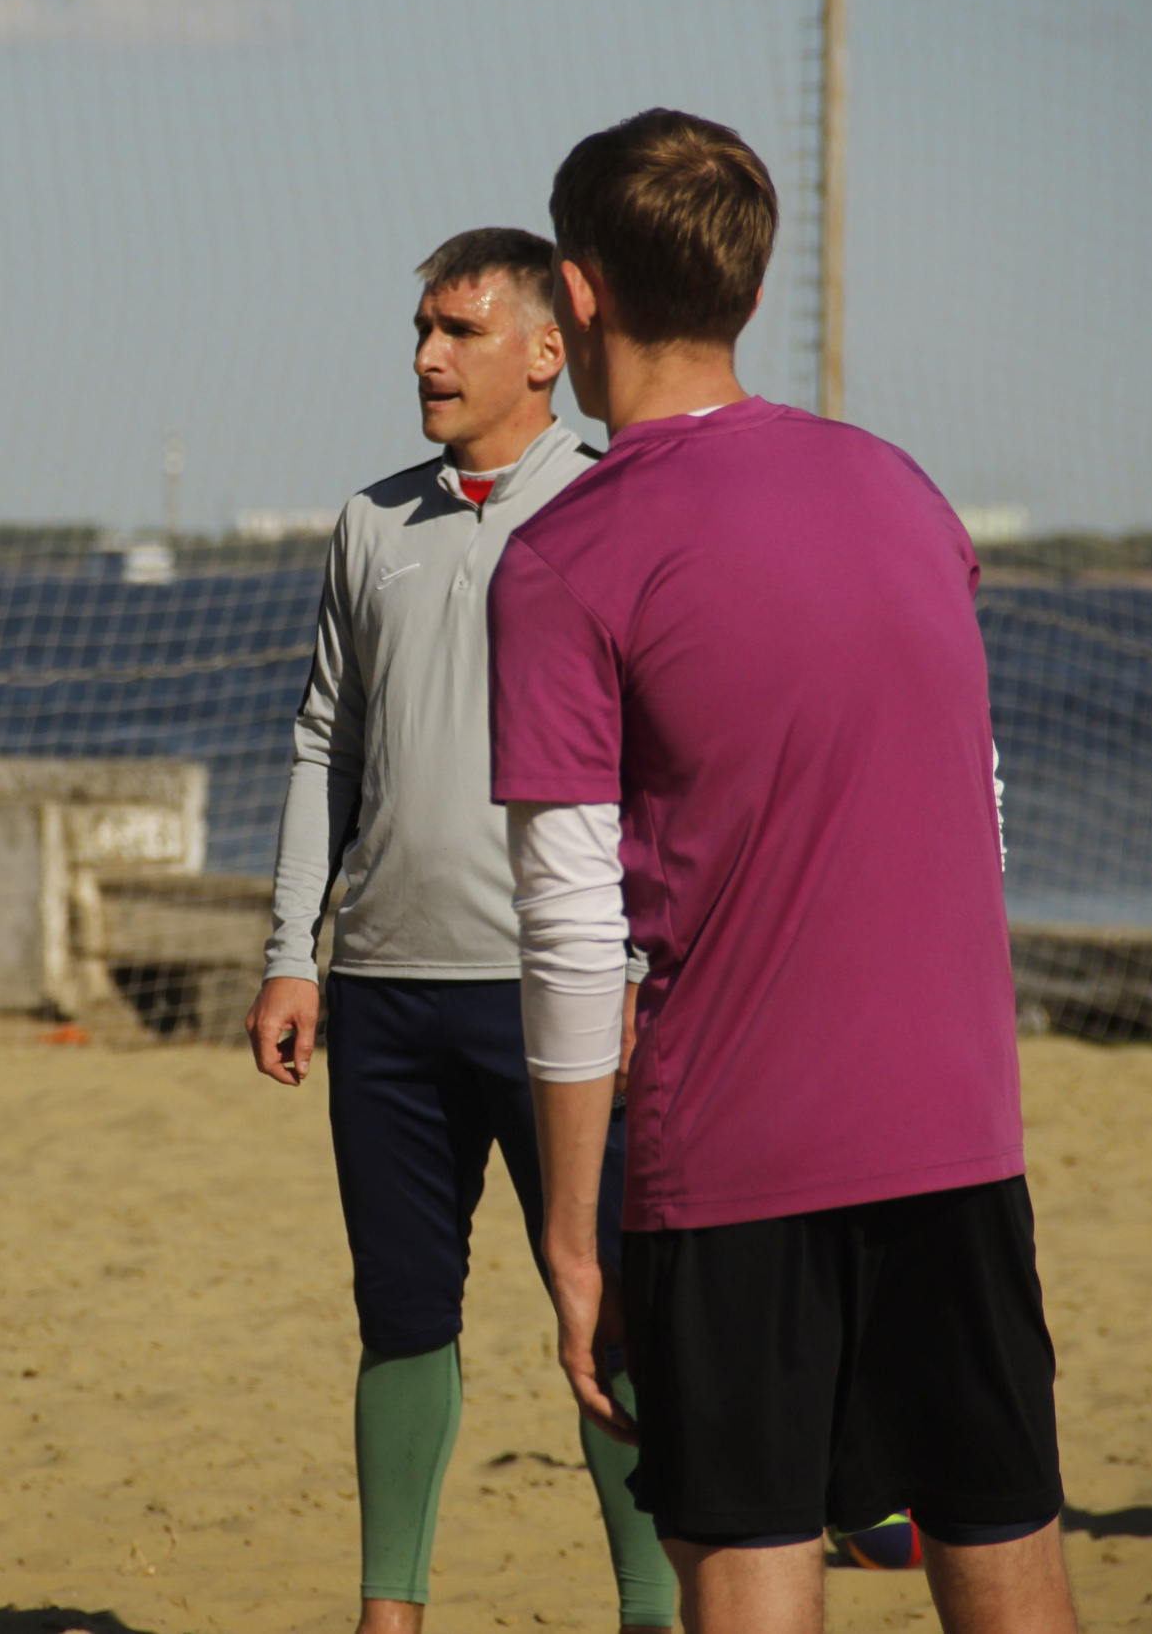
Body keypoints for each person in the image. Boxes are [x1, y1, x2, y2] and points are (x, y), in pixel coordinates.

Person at [488, 110, 1078, 1634]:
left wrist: (571, 1231)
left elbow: (567, 933)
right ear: (750, 291)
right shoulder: (904, 489)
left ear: (577, 292)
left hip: (736, 1156)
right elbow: (979, 808)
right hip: (960, 1136)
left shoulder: (562, 556)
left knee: (750, 1571)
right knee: (1008, 1552)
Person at [247, 227, 679, 1634]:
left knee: (607, 1321)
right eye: (419, 329)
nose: (425, 356)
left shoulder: (618, 509)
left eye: (458, 330)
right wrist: (293, 951)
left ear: (547, 351)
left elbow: (667, 766)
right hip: (381, 993)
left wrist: (623, 964)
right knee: (402, 1314)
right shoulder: (373, 520)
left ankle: (652, 1605)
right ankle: (391, 1611)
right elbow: (326, 742)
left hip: (564, 1001)